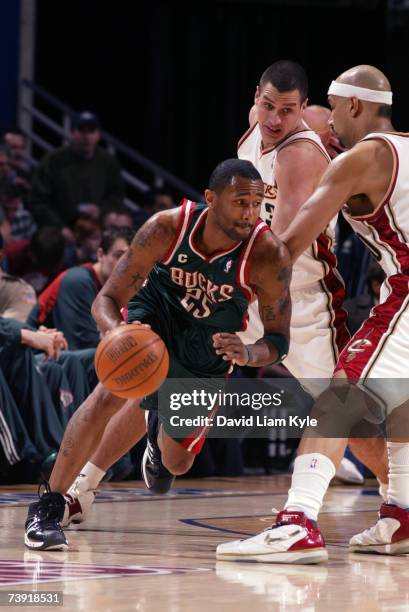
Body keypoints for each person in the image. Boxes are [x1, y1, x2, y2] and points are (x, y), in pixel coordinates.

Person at [23, 158, 292, 550]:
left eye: (255, 204)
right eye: (240, 202)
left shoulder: (269, 255)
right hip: (157, 314)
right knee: (109, 393)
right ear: (211, 199)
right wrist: (119, 334)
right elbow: (108, 299)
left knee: (177, 462)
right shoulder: (167, 227)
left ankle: (155, 422)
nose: (249, 213)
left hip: (210, 342)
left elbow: (279, 341)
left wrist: (249, 353)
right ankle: (47, 504)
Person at [216, 64, 407, 563]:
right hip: (393, 286)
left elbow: (289, 245)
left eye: (330, 109)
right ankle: (403, 515)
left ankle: (298, 522)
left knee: (339, 395)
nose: (326, 126)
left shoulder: (358, 157)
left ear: (354, 106)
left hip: (400, 289)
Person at [237, 60, 362, 483]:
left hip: (302, 298)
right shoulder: (258, 126)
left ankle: (396, 500)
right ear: (257, 96)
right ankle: (82, 485)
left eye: (286, 110)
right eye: (269, 106)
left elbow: (282, 250)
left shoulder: (306, 155)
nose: (274, 119)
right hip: (251, 286)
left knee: (342, 406)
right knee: (164, 356)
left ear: (302, 108)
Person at [28, 227, 133, 350]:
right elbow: (83, 345)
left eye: (133, 258)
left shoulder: (123, 289)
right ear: (100, 255)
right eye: (119, 255)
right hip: (37, 359)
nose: (126, 264)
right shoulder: (78, 281)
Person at [28, 111, 125, 236]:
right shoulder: (53, 160)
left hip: (97, 228)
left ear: (98, 135)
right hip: (60, 231)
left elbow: (117, 196)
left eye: (91, 131)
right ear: (72, 132)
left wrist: (102, 211)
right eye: (82, 131)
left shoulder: (108, 162)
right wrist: (59, 227)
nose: (87, 136)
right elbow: (37, 200)